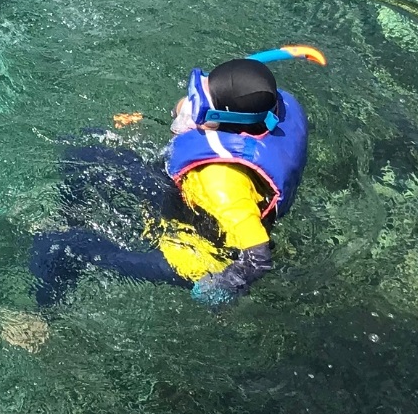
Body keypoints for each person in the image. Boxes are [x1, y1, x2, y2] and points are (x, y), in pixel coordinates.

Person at [25, 47, 322, 314]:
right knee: (85, 149)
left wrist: (225, 285)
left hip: (192, 256)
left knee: (59, 244)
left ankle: (41, 318)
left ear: (220, 119)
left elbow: (259, 256)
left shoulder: (222, 183)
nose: (185, 106)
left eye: (199, 104)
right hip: (188, 199)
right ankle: (70, 211)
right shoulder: (260, 116)